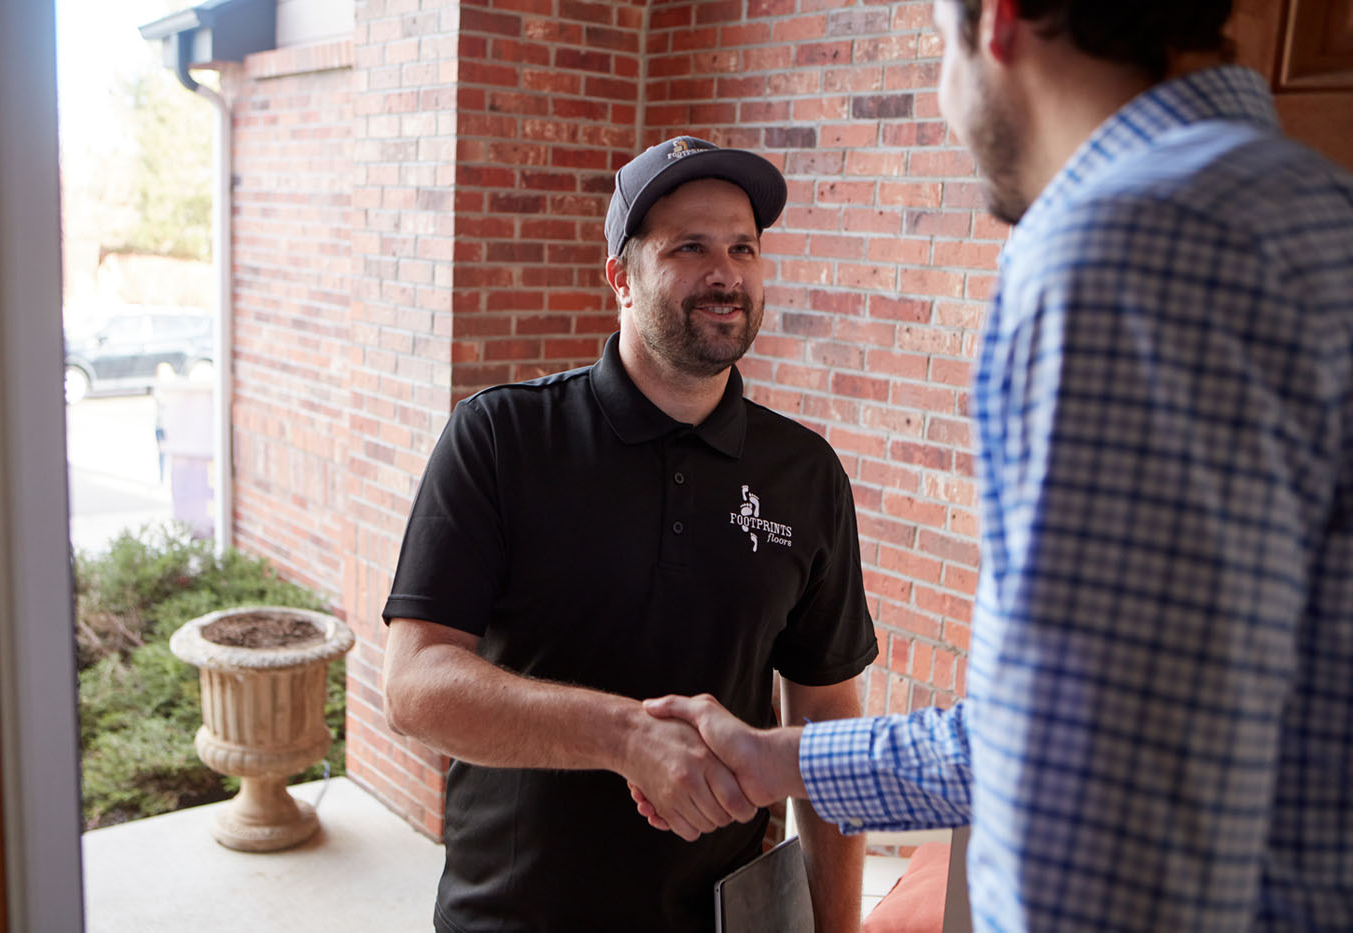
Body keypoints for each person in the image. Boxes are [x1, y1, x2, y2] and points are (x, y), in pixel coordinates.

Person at [637, 1, 1353, 929]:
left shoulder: (1122, 245)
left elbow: (1098, 821)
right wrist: (782, 761)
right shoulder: (1316, 205)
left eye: (943, 43)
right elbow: (1073, 727)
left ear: (1001, 20)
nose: (946, 92)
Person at [381, 136, 879, 933]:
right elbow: (414, 687)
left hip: (721, 917)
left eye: (743, 248)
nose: (726, 274)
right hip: (513, 915)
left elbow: (827, 720)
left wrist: (838, 928)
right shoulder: (502, 437)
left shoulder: (805, 473)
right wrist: (625, 737)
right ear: (620, 276)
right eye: (690, 247)